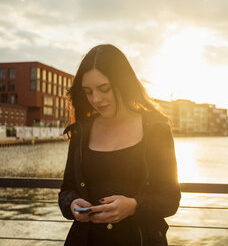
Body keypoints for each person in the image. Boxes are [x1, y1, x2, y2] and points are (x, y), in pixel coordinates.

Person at [58, 44, 181, 246]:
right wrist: (72, 204)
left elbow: (170, 199)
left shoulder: (155, 129)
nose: (96, 99)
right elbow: (66, 190)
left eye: (104, 89)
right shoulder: (81, 132)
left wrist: (133, 206)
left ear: (122, 83)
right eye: (88, 92)